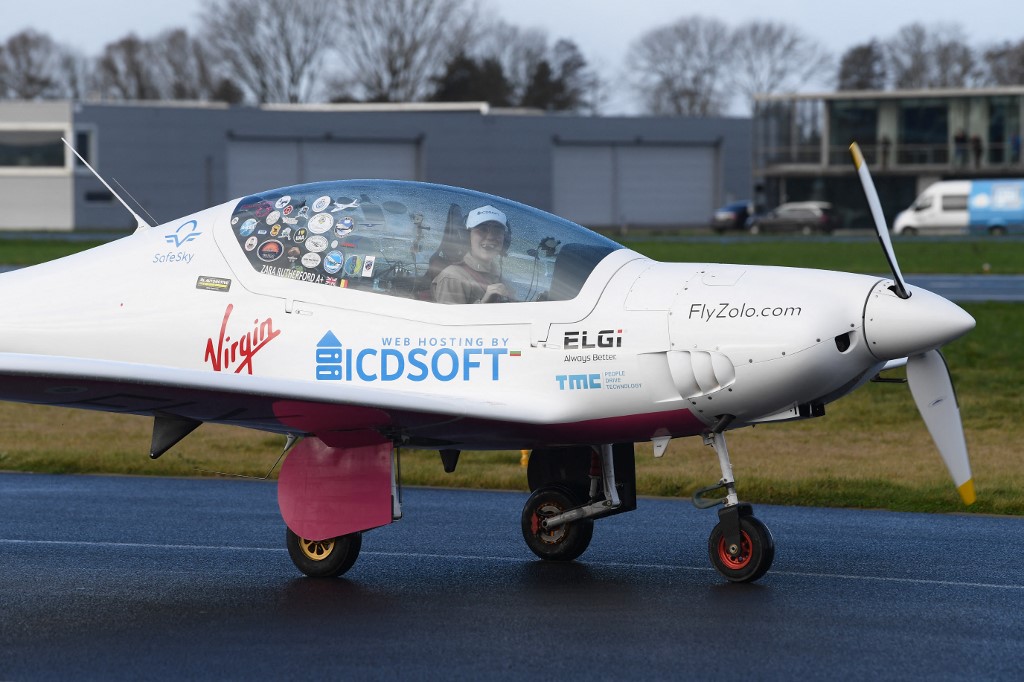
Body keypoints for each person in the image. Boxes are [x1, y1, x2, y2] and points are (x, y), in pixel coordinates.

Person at [432, 205, 514, 304]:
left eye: (497, 231)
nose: (491, 236)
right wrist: (484, 303)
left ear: (504, 240)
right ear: (467, 236)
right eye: (482, 229)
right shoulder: (452, 277)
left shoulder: (502, 280)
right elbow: (449, 319)